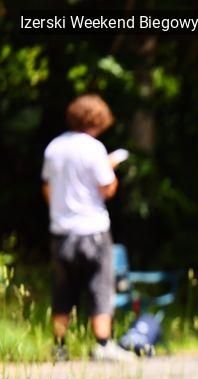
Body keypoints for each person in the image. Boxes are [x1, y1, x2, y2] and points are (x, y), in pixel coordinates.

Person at [42, 94, 134, 362]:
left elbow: (47, 186)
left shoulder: (54, 147)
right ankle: (102, 344)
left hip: (61, 230)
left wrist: (60, 210)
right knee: (100, 285)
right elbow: (107, 189)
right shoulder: (94, 148)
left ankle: (59, 346)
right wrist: (111, 168)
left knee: (63, 289)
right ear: (98, 119)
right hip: (92, 229)